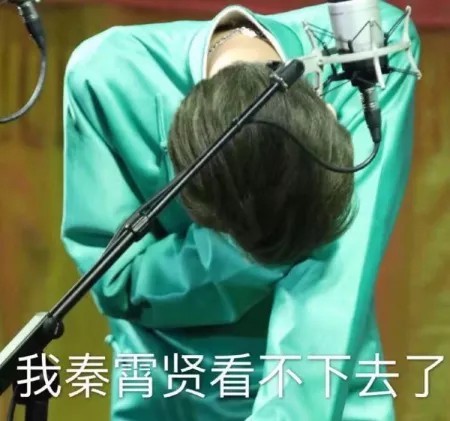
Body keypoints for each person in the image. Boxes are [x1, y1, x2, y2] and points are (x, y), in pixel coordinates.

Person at [61, 2, 420, 420]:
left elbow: (332, 293)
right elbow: (117, 281)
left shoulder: (368, 50)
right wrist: (256, 258)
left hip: (323, 391)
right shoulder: (106, 78)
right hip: (170, 392)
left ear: (326, 111)